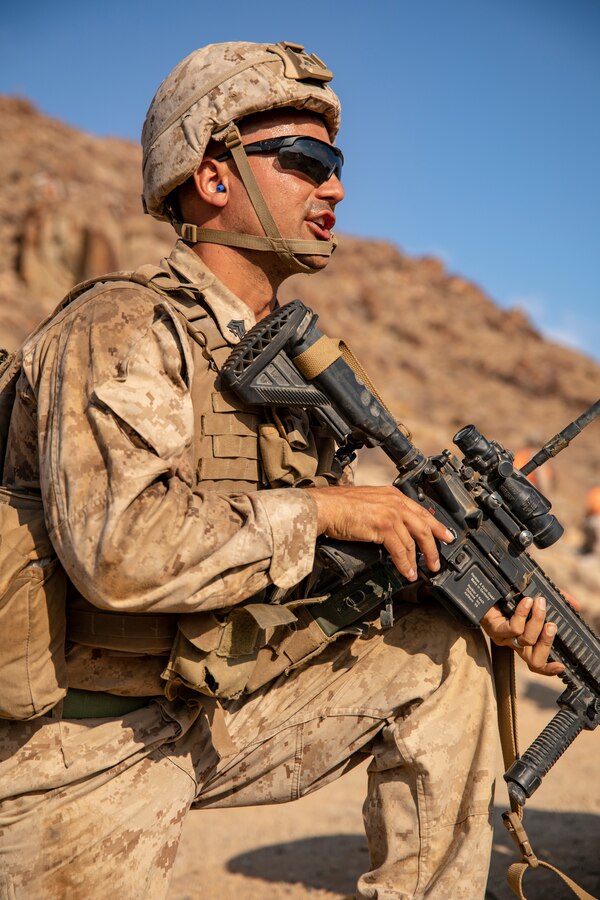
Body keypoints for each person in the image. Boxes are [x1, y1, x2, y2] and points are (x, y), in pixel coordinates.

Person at [0, 41, 565, 899]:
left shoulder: (289, 365)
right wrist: (332, 509)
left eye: (336, 166)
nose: (334, 187)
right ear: (213, 177)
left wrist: (464, 598)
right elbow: (120, 552)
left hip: (205, 709)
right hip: (78, 748)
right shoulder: (119, 326)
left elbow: (298, 574)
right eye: (307, 162)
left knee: (442, 653)